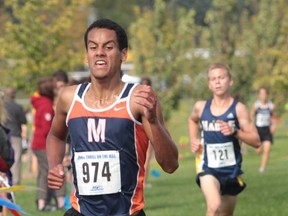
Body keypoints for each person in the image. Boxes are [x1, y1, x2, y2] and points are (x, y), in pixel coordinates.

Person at [46, 18, 179, 216]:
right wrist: (55, 165)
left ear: (123, 54)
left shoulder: (139, 99)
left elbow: (170, 165)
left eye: (108, 47)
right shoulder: (69, 98)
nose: (99, 52)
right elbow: (56, 136)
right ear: (87, 54)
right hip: (80, 211)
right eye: (93, 47)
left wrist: (152, 121)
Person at [188, 63, 260, 216]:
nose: (217, 82)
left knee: (226, 213)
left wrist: (235, 132)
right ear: (209, 84)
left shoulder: (239, 109)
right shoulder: (201, 107)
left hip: (231, 170)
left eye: (221, 77)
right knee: (214, 206)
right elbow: (192, 120)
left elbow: (256, 141)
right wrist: (193, 138)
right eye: (213, 79)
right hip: (207, 166)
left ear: (230, 81)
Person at [30, 77, 58, 212]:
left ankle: (43, 201)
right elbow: (47, 129)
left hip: (38, 142)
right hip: (43, 144)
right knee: (45, 172)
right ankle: (42, 203)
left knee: (43, 172)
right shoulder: (46, 104)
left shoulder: (40, 102)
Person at [3, 87, 27, 186]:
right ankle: (14, 182)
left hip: (4, 134)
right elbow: (23, 122)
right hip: (16, 135)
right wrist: (25, 136)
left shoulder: (2, 106)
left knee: (4, 159)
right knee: (16, 159)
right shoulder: (18, 107)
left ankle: (4, 180)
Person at [250, 87, 276, 173]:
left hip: (267, 130)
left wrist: (273, 125)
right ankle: (259, 149)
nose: (263, 96)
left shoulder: (271, 106)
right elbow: (251, 117)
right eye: (261, 94)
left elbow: (273, 117)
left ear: (267, 94)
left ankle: (262, 168)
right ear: (259, 95)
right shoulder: (256, 105)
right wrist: (251, 128)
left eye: (264, 93)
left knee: (267, 149)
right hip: (258, 130)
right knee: (258, 151)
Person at [140, 77, 154, 188]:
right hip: (144, 133)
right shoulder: (139, 100)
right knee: (145, 158)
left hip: (147, 132)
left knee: (145, 158)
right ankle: (142, 182)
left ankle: (142, 181)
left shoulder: (152, 99)